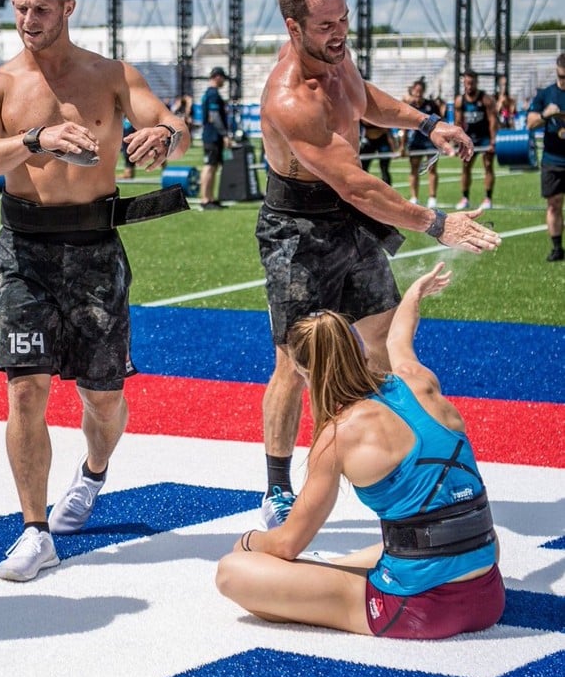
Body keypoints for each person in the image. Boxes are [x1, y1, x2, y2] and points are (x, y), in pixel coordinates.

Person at [0, 0, 190, 582]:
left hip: (95, 252)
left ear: (67, 7)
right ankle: (34, 530)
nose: (29, 20)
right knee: (25, 387)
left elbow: (172, 123)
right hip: (22, 254)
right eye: (20, 8)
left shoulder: (111, 75)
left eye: (41, 8)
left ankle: (92, 473)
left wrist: (163, 137)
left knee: (103, 398)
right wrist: (35, 140)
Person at [254, 0, 501, 531]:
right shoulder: (291, 99)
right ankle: (277, 488)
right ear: (294, 28)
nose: (340, 32)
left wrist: (426, 122)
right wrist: (437, 223)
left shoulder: (338, 59)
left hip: (347, 222)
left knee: (383, 343)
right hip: (298, 231)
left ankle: (396, 458)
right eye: (325, 25)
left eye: (343, 18)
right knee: (296, 363)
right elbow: (358, 186)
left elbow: (364, 99)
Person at [216, 263, 505, 639]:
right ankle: (332, 570)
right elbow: (399, 339)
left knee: (233, 571)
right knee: (409, 538)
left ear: (307, 373)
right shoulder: (416, 379)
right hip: (488, 591)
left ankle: (324, 582)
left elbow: (287, 543)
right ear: (357, 349)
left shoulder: (338, 436)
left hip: (418, 608)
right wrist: (413, 295)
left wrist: (249, 542)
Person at [526, 52, 565, 262]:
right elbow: (530, 123)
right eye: (561, 77)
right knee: (554, 204)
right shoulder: (546, 94)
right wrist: (545, 115)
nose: (564, 81)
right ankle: (557, 247)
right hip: (553, 159)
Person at [453, 69, 498, 210]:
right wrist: (458, 141)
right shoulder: (460, 101)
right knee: (465, 167)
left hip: (485, 137)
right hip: (469, 139)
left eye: (471, 83)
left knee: (488, 165)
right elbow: (458, 122)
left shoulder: (486, 99)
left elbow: (493, 120)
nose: (469, 86)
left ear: (476, 82)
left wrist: (493, 140)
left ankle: (488, 199)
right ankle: (465, 198)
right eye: (466, 83)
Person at [402, 78, 444, 207]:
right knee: (414, 169)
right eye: (416, 91)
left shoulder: (431, 105)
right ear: (413, 91)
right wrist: (402, 146)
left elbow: (439, 124)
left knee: (432, 168)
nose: (418, 94)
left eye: (420, 91)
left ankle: (432, 197)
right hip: (415, 142)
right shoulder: (409, 106)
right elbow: (403, 126)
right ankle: (414, 197)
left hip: (430, 141)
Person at [200, 67, 231, 209]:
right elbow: (214, 116)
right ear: (217, 77)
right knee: (209, 166)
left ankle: (210, 198)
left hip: (212, 135)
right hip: (212, 136)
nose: (224, 81)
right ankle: (205, 199)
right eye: (223, 77)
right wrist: (224, 134)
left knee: (213, 167)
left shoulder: (209, 93)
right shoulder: (213, 94)